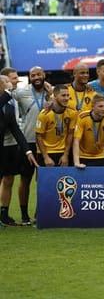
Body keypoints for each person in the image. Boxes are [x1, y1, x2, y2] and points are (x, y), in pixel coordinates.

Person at [10, 66, 52, 224]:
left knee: (43, 181)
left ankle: (40, 213)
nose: (36, 77)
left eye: (39, 74)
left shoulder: (52, 92)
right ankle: (24, 215)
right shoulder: (21, 93)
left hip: (47, 143)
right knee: (25, 179)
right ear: (29, 77)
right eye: (33, 75)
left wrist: (51, 95)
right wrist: (10, 85)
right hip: (28, 142)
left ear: (44, 75)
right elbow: (7, 95)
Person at [0, 75, 38, 226]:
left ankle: (4, 215)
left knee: (8, 178)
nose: (11, 83)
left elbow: (15, 129)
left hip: (6, 147)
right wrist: (8, 92)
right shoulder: (7, 99)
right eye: (7, 81)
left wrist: (27, 151)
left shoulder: (9, 105)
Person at [35, 84, 78, 167]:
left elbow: (70, 134)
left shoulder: (72, 113)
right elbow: (38, 136)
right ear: (54, 96)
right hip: (46, 152)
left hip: (63, 152)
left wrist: (66, 155)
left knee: (63, 179)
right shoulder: (44, 114)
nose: (66, 98)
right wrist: (46, 157)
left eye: (68, 95)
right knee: (44, 179)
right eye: (63, 95)